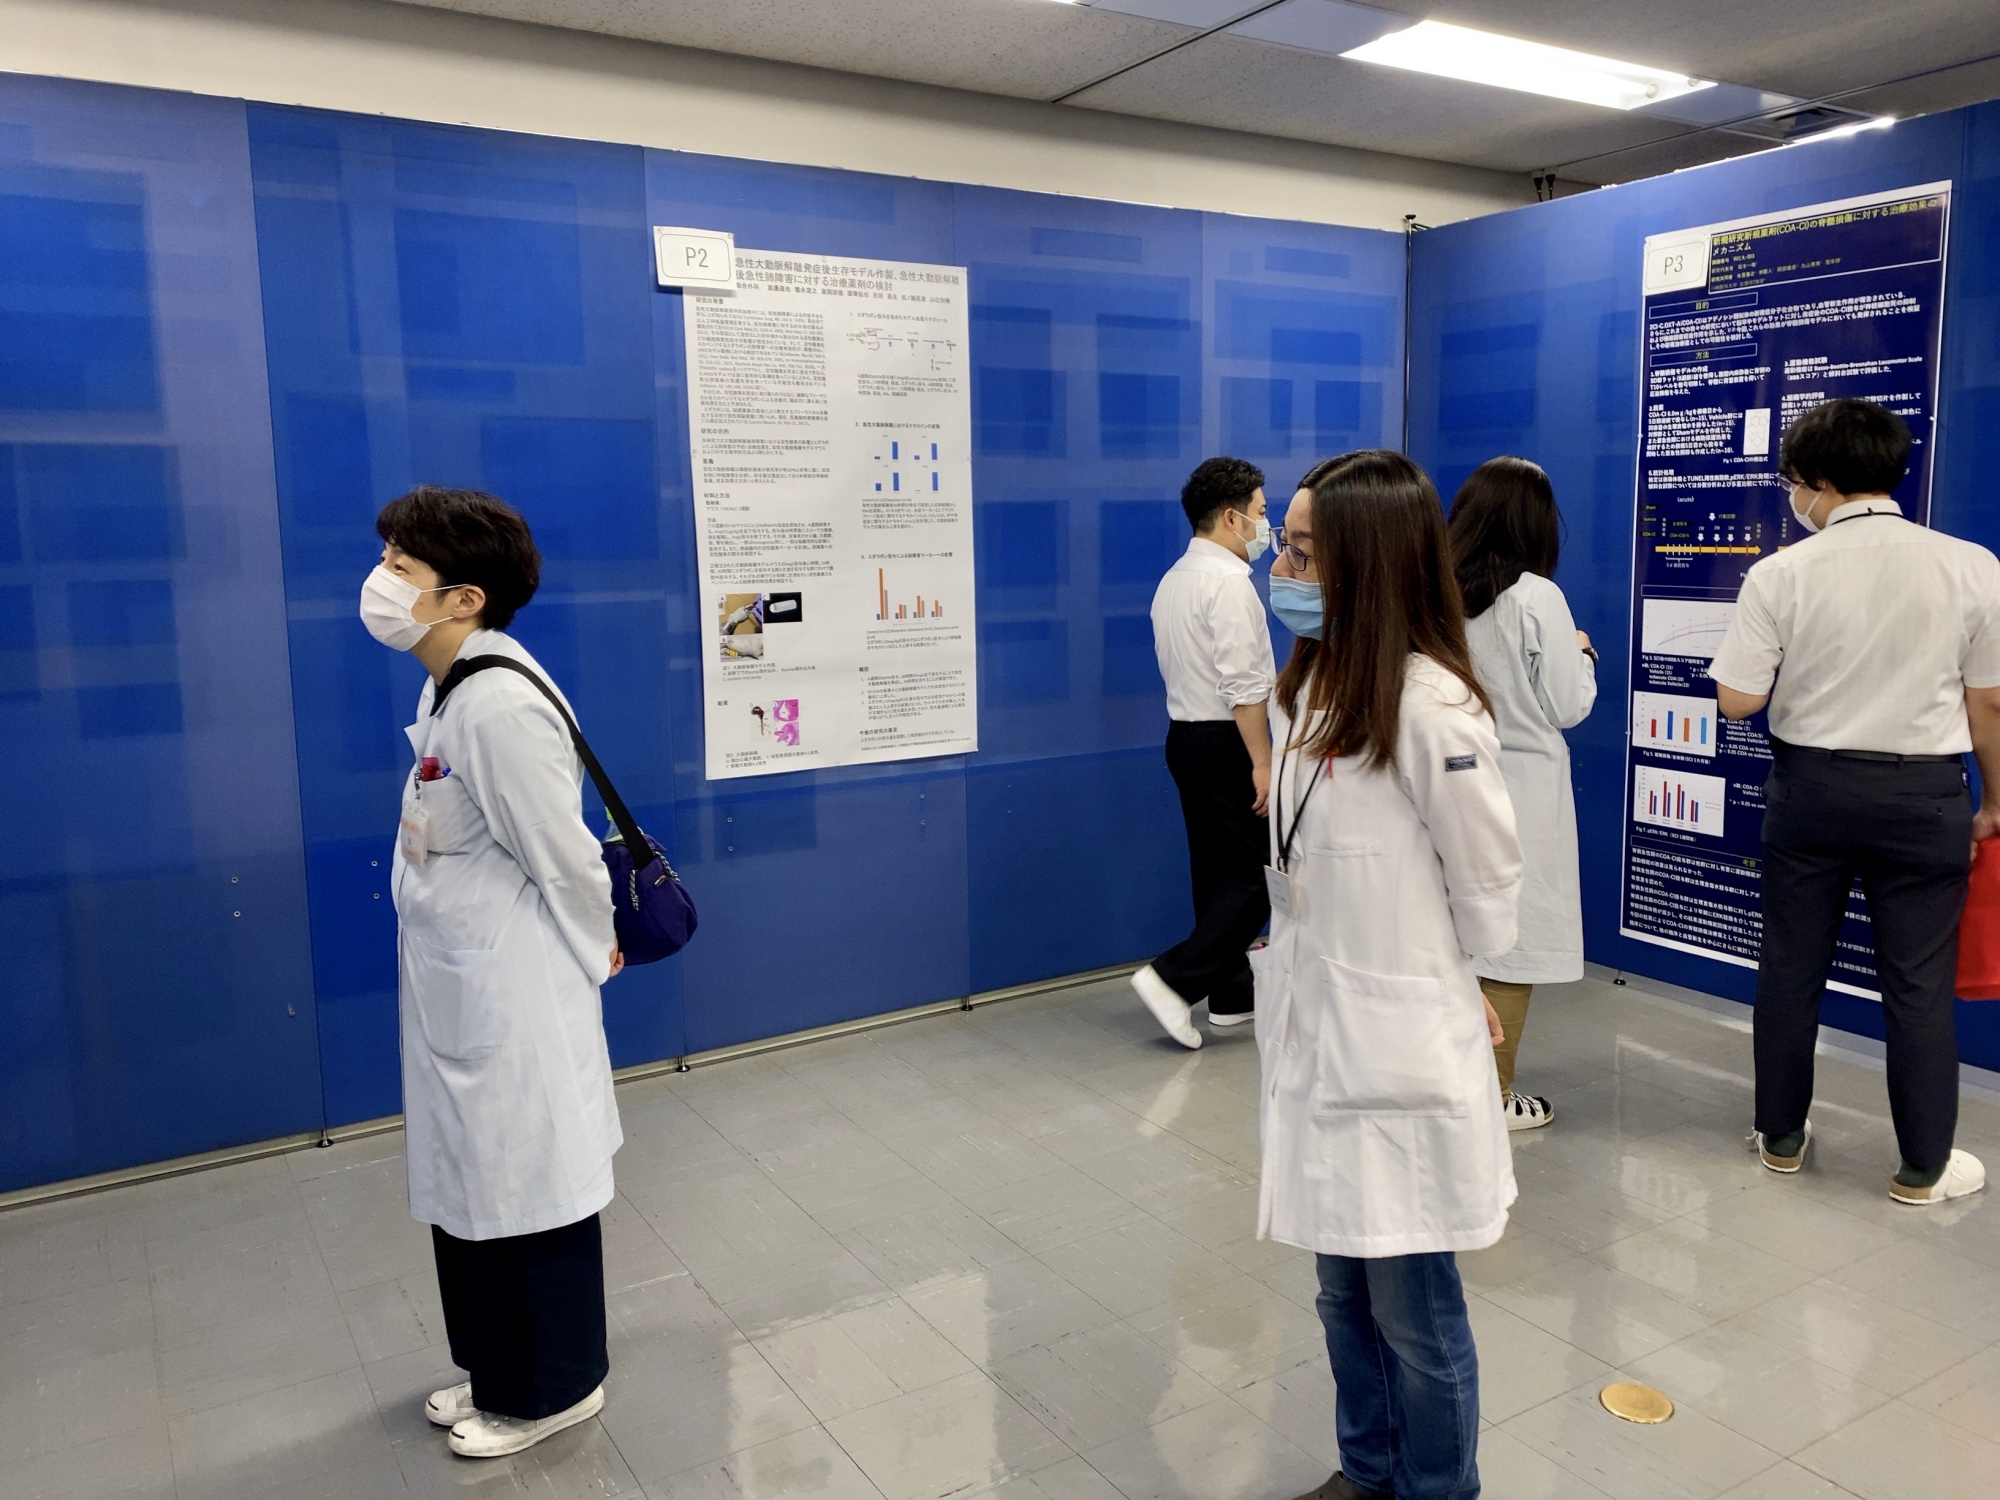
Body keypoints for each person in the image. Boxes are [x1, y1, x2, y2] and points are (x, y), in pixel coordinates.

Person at [1259, 450, 1522, 1500]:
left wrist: (1457, 985)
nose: (1280, 570)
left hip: (1397, 1047)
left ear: (1367, 566)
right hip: (1321, 1031)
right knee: (1341, 1296)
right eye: (1282, 547)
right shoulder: (1311, 686)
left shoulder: (1432, 708)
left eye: (1301, 554)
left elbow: (1488, 883)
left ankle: (1436, 1489)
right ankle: (1366, 1474)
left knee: (1415, 1315)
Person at [361, 486, 625, 1457]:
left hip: (513, 995)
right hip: (462, 985)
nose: (380, 582)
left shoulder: (500, 705)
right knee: (475, 1188)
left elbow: (564, 855)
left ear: (464, 598)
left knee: (527, 1189)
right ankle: (494, 1368)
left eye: (401, 568)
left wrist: (597, 950)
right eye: (386, 559)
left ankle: (554, 1389)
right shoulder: (450, 687)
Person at [1711, 398, 2000, 1205]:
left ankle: (1781, 1138)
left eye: (1793, 484)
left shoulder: (1780, 574)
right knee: (1919, 984)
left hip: (1811, 791)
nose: (1793, 498)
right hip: (1926, 794)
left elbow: (1737, 700)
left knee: (1791, 967)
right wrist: (1993, 805)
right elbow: (1988, 704)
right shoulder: (1972, 566)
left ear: (1819, 481)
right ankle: (1922, 1169)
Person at [1448, 458, 1597, 1130]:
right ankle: (1493, 1096)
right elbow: (1567, 704)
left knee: (1456, 938)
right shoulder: (1538, 598)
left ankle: (1450, 1085)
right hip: (1524, 792)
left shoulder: (1432, 590)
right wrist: (1583, 654)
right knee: (1511, 943)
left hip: (1451, 783)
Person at [1130, 456, 1276, 1048]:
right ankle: (1173, 980)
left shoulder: (1175, 578)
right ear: (1231, 518)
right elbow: (1244, 687)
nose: (1267, 526)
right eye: (1262, 512)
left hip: (1186, 738)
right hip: (1227, 741)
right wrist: (1262, 761)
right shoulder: (1229, 584)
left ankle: (1232, 993)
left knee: (1215, 872)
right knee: (1260, 874)